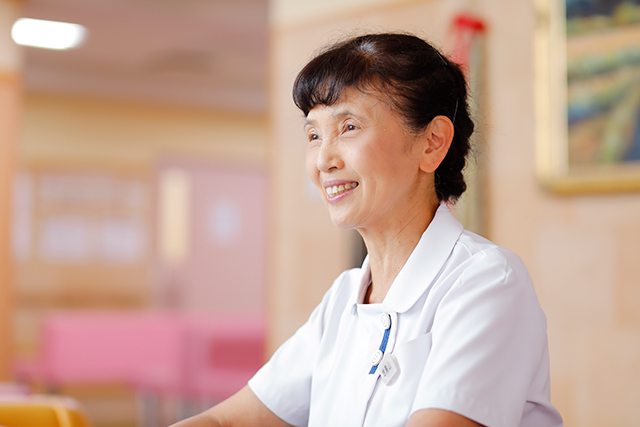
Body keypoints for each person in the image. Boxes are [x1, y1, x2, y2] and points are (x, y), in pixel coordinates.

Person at [171, 32, 563, 427]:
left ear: (432, 142)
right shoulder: (342, 301)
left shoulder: (486, 282)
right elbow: (233, 420)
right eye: (313, 135)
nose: (323, 159)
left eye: (349, 128)